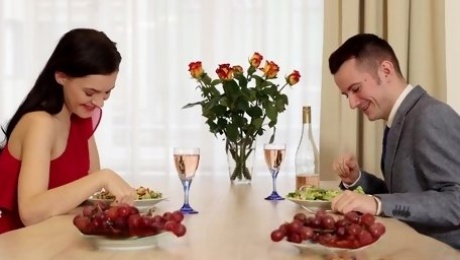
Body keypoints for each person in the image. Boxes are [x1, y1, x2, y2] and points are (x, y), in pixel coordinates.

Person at [328, 33, 460, 249]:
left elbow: (457, 202)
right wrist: (357, 179)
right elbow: (405, 196)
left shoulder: (431, 115)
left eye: (356, 89)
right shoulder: (401, 118)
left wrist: (377, 204)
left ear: (386, 71)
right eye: (346, 95)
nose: (352, 103)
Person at [0, 28, 136, 234]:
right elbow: (31, 212)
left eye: (107, 92)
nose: (99, 102)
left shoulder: (80, 118)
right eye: (90, 92)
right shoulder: (40, 123)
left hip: (56, 239)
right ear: (61, 76)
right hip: (17, 244)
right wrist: (103, 177)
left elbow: (85, 199)